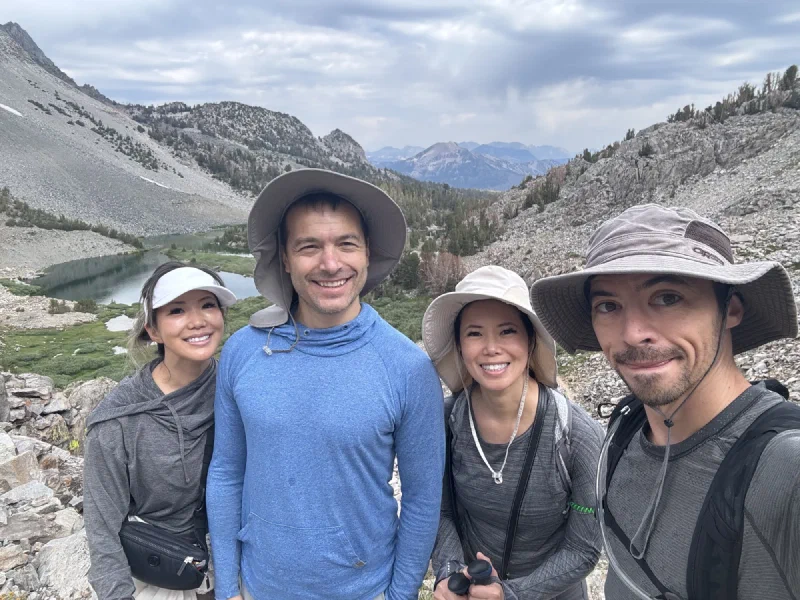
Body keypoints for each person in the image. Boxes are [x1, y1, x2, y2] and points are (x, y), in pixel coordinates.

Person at [530, 204, 800, 600]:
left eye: (668, 297)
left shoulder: (785, 470)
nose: (633, 332)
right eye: (608, 306)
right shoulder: (624, 433)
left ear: (732, 309)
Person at [206, 168, 445, 600]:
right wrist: (227, 589)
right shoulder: (242, 353)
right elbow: (226, 473)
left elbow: (423, 499)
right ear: (284, 258)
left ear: (368, 253)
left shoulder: (408, 368)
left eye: (346, 244)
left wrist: (400, 595)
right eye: (309, 246)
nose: (330, 263)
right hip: (257, 589)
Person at [424, 265, 604, 600]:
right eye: (474, 333)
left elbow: (583, 549)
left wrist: (510, 594)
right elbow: (442, 510)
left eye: (507, 331)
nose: (491, 348)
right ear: (460, 346)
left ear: (530, 339)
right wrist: (448, 573)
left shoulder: (576, 435)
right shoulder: (447, 422)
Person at [84, 262, 238, 600]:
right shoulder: (118, 421)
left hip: (237, 566)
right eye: (177, 310)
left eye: (208, 305)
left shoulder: (238, 388)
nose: (198, 320)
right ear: (153, 331)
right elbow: (102, 530)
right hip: (161, 574)